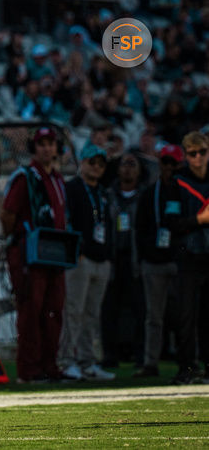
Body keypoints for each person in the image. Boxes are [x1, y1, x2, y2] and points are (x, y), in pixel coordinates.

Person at [0, 127, 67, 383]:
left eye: (51, 143)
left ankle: (50, 366)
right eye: (42, 144)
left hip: (54, 253)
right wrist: (18, 242)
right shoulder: (25, 177)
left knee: (53, 312)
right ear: (34, 149)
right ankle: (29, 370)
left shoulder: (58, 178)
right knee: (31, 311)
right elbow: (7, 215)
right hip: (29, 254)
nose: (47, 148)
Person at [58, 144, 116, 381]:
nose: (97, 167)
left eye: (101, 164)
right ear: (82, 163)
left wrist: (109, 255)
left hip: (101, 259)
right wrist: (76, 250)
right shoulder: (71, 188)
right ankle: (66, 361)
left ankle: (88, 361)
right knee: (73, 311)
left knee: (92, 313)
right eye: (93, 162)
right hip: (80, 259)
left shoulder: (103, 192)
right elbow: (65, 220)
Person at [133, 144, 183, 377]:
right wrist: (143, 258)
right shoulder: (149, 193)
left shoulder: (187, 193)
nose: (169, 168)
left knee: (185, 315)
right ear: (160, 164)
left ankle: (187, 362)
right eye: (166, 163)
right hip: (154, 262)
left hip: (180, 262)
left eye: (174, 163)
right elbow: (139, 229)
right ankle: (150, 362)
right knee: (154, 317)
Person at [169, 132, 209, 384]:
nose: (198, 158)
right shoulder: (177, 183)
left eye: (202, 152)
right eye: (192, 153)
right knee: (185, 316)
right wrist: (199, 221)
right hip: (188, 258)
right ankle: (187, 368)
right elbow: (170, 222)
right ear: (185, 155)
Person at [102, 151, 147, 368]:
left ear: (139, 171)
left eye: (132, 164)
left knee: (141, 310)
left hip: (136, 259)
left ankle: (141, 356)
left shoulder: (145, 195)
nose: (127, 168)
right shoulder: (108, 194)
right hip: (112, 258)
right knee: (109, 309)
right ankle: (110, 356)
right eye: (124, 164)